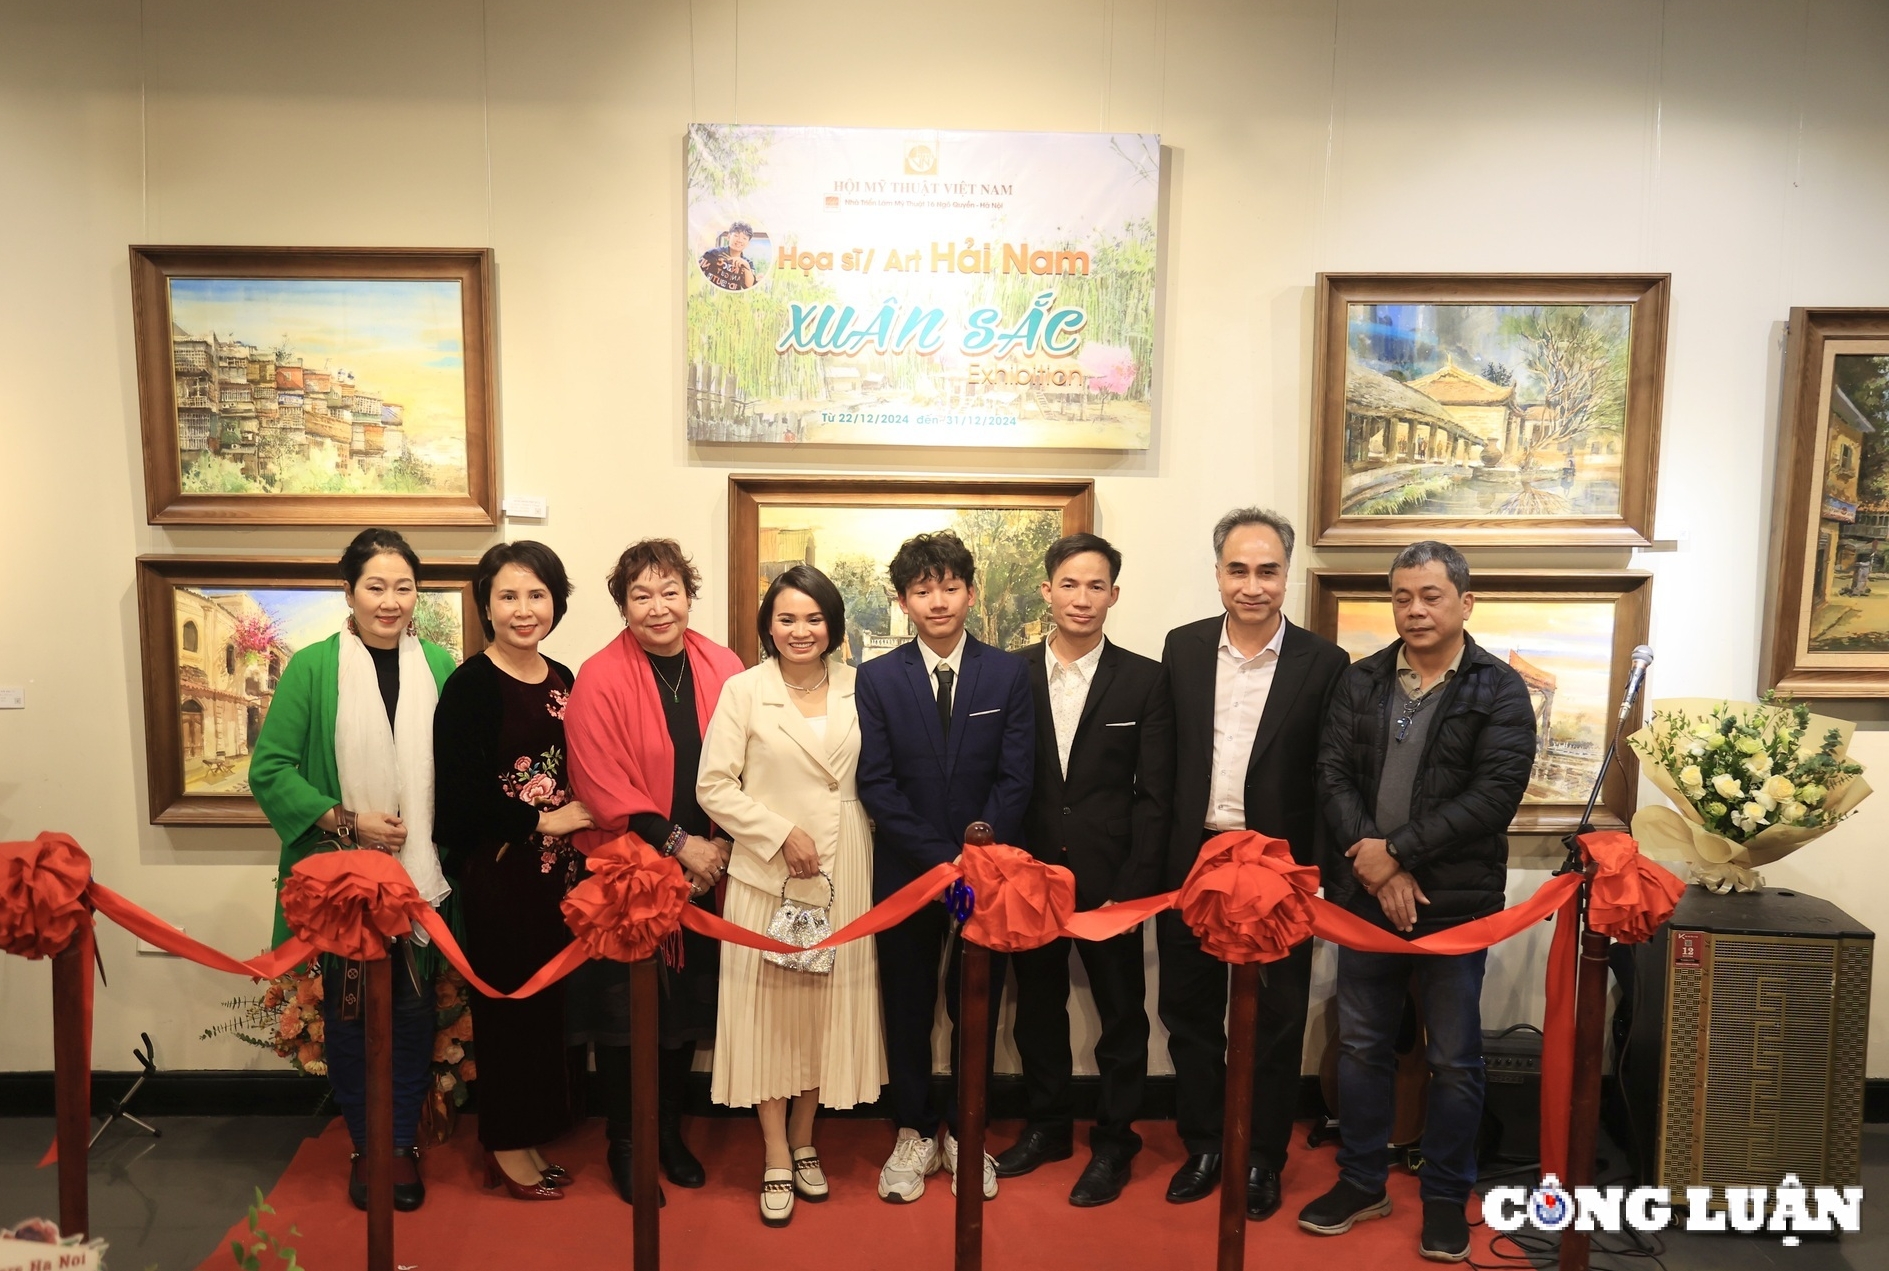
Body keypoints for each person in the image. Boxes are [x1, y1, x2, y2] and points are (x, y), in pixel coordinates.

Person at [1298, 540, 1536, 1262]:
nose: (1414, 609)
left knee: (1455, 1058)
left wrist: (1395, 852)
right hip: (1363, 901)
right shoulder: (1362, 678)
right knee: (1365, 1045)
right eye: (1402, 596)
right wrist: (1373, 865)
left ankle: (1443, 1195)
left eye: (1430, 595)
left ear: (1464, 602)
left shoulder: (1496, 688)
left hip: (1454, 905)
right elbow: (1331, 772)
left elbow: (1493, 797)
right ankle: (1363, 1179)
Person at [249, 528, 458, 1214]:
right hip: (341, 880)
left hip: (420, 875)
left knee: (411, 1010)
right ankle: (366, 1146)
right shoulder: (312, 668)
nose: (390, 601)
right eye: (376, 586)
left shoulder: (439, 663)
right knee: (349, 1018)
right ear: (349, 592)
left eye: (403, 586)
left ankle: (400, 1142)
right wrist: (349, 821)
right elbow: (269, 768)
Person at [1156, 508, 1350, 1219]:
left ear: (1286, 575)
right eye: (1237, 569)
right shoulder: (1180, 649)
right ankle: (1205, 1143)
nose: (1252, 585)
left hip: (1278, 873)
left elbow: (1331, 776)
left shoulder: (1323, 663)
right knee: (1189, 1014)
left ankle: (1262, 1156)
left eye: (1267, 570)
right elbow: (1164, 762)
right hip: (1192, 863)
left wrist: (1319, 873)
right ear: (1216, 574)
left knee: (1272, 1019)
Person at [697, 565, 886, 1227]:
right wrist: (779, 833)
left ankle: (807, 1138)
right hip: (769, 873)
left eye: (813, 618)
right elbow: (714, 786)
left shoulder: (865, 687)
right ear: (767, 626)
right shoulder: (743, 691)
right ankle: (775, 1150)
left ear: (832, 624)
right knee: (771, 1013)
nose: (800, 630)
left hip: (845, 870)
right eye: (786, 618)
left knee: (824, 1011)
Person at [855, 530, 1034, 1204]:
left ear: (970, 589)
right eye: (922, 589)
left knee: (973, 1002)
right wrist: (939, 860)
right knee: (905, 1004)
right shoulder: (876, 678)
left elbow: (1017, 778)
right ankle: (911, 1128)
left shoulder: (1007, 672)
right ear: (901, 600)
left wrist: (973, 858)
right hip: (907, 877)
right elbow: (876, 782)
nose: (937, 600)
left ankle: (965, 1130)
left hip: (980, 881)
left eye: (949, 585)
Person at [563, 539, 744, 1202]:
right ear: (623, 605)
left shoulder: (722, 664)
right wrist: (680, 845)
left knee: (682, 1017)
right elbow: (598, 781)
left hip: (708, 874)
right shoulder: (599, 676)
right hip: (627, 879)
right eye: (641, 594)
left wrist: (715, 847)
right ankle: (626, 1142)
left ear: (688, 595)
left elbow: (745, 760)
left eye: (670, 590)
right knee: (624, 1020)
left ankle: (668, 1133)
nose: (658, 606)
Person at [998, 533, 1173, 1207]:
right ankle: (1045, 1126)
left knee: (1121, 1017)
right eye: (1069, 584)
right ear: (1047, 591)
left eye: (1095, 585)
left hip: (1112, 880)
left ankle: (1114, 1140)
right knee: (1035, 1010)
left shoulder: (1144, 677)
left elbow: (1154, 793)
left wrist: (1131, 890)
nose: (1081, 597)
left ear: (1114, 595)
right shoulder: (1009, 674)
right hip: (1029, 876)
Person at [433, 541, 594, 1201]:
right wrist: (542, 822)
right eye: (508, 596)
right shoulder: (470, 684)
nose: (524, 609)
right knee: (505, 1008)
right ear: (485, 605)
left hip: (560, 880)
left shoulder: (564, 677)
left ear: (555, 600)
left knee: (546, 1009)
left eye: (536, 594)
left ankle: (530, 1131)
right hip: (501, 872)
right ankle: (504, 1142)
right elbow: (461, 794)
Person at [700, 221, 759, 291]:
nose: (739, 240)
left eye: (744, 238)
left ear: (748, 243)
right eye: (736, 235)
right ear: (728, 237)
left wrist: (746, 266)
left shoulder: (748, 263)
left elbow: (750, 286)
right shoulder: (713, 253)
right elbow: (697, 272)